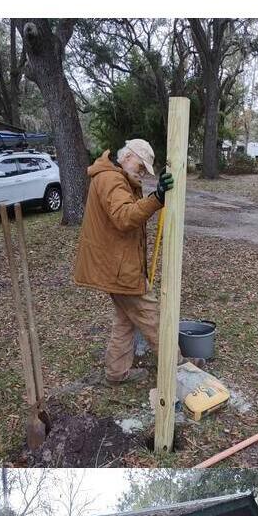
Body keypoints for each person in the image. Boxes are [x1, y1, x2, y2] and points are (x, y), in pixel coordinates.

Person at [72, 138, 175, 386]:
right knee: (152, 317)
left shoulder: (118, 178)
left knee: (125, 320)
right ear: (127, 156)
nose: (141, 173)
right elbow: (124, 217)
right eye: (140, 167)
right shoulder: (111, 180)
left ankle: (116, 374)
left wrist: (152, 196)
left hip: (117, 266)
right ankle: (179, 367)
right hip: (118, 269)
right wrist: (158, 198)